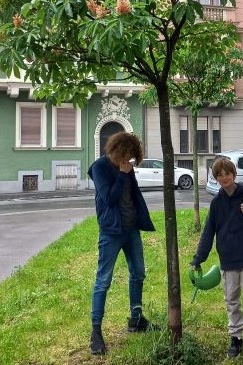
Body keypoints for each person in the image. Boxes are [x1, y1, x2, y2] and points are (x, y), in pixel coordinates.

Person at [190, 158, 243, 359]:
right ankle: (236, 337)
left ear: (233, 174)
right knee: (231, 300)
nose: (224, 177)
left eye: (227, 173)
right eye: (220, 175)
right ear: (216, 178)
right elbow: (208, 233)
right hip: (228, 261)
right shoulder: (217, 203)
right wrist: (198, 258)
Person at [87, 132, 157, 355]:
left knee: (138, 274)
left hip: (131, 229)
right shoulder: (99, 167)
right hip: (111, 232)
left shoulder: (127, 167)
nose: (128, 160)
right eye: (125, 155)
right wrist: (122, 174)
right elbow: (108, 198)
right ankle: (96, 332)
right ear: (116, 150)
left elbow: (133, 196)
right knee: (103, 280)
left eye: (131, 157)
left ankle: (135, 320)